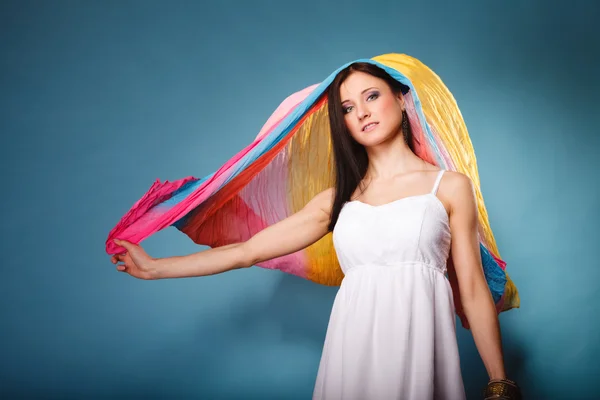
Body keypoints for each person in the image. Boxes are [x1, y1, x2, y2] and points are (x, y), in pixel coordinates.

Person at [109, 55, 521, 399]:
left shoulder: (448, 187)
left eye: (371, 96)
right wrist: (157, 267)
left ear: (400, 96)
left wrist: (499, 383)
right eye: (346, 107)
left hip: (421, 349)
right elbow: (246, 251)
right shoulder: (336, 201)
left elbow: (471, 288)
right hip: (352, 352)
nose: (360, 112)